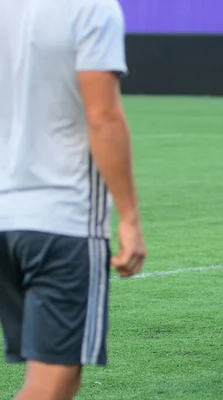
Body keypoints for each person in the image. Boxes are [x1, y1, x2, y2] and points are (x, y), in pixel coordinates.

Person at [0, 1, 146, 399]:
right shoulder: (91, 8)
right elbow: (103, 117)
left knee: (51, 380)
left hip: (7, 216)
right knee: (52, 384)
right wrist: (130, 218)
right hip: (61, 219)